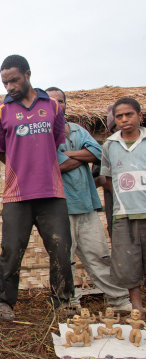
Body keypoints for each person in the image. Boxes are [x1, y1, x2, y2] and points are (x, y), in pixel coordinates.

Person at [0, 55, 73, 320]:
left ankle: (63, 302)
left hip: (52, 193)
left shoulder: (53, 107)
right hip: (16, 195)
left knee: (60, 248)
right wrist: (21, 169)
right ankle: (4, 302)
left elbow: (57, 141)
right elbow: (1, 151)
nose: (10, 87)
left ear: (27, 74)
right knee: (11, 250)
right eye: (5, 83)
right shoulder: (0, 111)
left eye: (14, 80)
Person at [47, 87, 131, 312]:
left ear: (66, 104)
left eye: (61, 101)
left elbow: (97, 153)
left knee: (100, 256)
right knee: (64, 261)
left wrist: (68, 155)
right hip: (59, 208)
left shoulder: (77, 130)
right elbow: (55, 165)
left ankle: (119, 300)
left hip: (86, 205)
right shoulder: (43, 135)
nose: (57, 105)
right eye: (52, 101)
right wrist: (80, 156)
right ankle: (67, 304)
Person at [100, 97, 146, 313]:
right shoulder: (110, 145)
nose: (124, 119)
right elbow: (106, 179)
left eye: (129, 114)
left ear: (139, 116)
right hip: (124, 215)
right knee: (128, 264)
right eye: (119, 116)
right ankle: (136, 308)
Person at [92, 105, 119, 237]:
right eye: (115, 127)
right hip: (116, 206)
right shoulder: (107, 148)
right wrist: (105, 178)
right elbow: (96, 180)